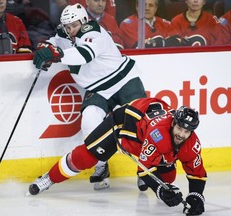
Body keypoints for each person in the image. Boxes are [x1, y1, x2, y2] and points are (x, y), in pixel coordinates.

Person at [32, 3, 147, 190]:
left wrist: (56, 55)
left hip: (124, 80)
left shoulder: (94, 31)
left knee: (139, 124)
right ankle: (101, 166)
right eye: (67, 26)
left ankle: (145, 168)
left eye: (74, 25)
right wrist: (46, 48)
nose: (71, 30)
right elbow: (54, 41)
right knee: (89, 122)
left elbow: (84, 55)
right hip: (98, 89)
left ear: (84, 21)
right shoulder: (64, 33)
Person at [28, 97, 207, 216]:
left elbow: (197, 172)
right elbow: (144, 169)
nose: (182, 135)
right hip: (125, 124)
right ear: (173, 123)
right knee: (86, 157)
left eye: (187, 131)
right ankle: (49, 178)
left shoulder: (191, 143)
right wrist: (160, 189)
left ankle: (157, 183)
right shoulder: (158, 134)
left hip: (146, 137)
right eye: (180, 129)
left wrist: (195, 196)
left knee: (168, 177)